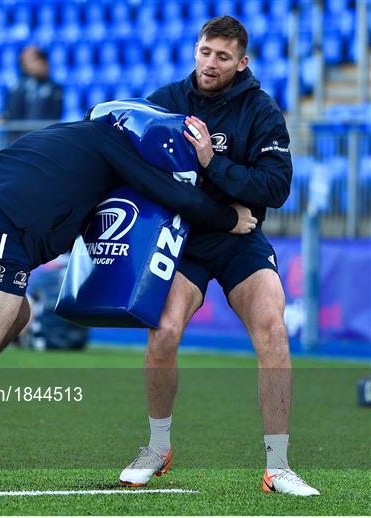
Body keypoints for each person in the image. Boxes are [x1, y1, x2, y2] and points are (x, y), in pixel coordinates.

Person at [0, 115, 257, 490]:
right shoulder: (113, 140)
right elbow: (166, 192)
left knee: (16, 316)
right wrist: (227, 219)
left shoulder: (72, 134)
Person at [118, 16, 320, 496]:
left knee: (273, 328)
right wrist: (219, 206)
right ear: (196, 49)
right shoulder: (165, 102)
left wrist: (213, 162)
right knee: (163, 331)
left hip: (240, 239)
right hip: (184, 237)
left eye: (223, 57)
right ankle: (157, 447)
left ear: (242, 62)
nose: (211, 63)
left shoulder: (262, 111)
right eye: (206, 52)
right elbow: (137, 171)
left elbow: (275, 188)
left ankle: (279, 465)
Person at [0, 46, 63, 123]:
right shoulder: (18, 87)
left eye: (33, 60)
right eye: (24, 61)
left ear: (44, 62)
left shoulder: (55, 87)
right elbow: (10, 113)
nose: (28, 65)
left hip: (44, 132)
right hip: (20, 133)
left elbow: (54, 116)